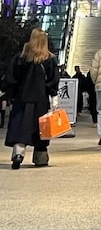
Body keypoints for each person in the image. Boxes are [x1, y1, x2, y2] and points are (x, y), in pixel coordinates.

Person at [2, 28, 59, 169]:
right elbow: (52, 80)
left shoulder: (21, 58)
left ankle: (18, 154)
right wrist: (54, 95)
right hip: (40, 100)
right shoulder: (49, 59)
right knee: (41, 130)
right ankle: (40, 158)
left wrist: (5, 90)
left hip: (22, 98)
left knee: (21, 127)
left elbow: (11, 77)